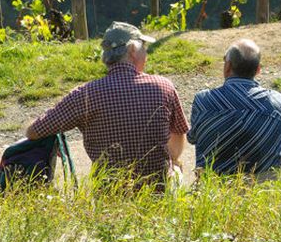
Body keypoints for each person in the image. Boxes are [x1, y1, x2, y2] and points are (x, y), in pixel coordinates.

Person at [26, 22, 188, 188]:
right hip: (157, 192)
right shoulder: (163, 86)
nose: (146, 53)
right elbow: (178, 135)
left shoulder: (85, 94)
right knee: (176, 167)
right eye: (144, 47)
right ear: (132, 50)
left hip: (108, 194)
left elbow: (33, 132)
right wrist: (172, 160)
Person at [188, 39, 281, 180]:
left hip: (214, 187)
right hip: (265, 189)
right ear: (258, 70)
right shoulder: (278, 103)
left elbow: (192, 138)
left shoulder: (203, 101)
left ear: (227, 66)